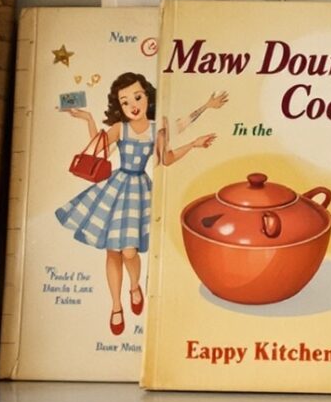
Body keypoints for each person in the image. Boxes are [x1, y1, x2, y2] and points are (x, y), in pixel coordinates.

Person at [58, 72, 219, 338]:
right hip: (116, 187)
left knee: (129, 252)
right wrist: (88, 119)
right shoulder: (120, 128)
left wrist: (194, 142)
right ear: (119, 106)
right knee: (112, 250)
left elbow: (167, 157)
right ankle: (116, 306)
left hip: (139, 191)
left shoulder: (158, 128)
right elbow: (97, 148)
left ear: (147, 96)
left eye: (137, 97)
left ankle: (134, 286)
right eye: (125, 102)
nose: (133, 105)